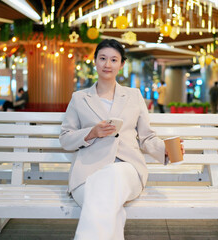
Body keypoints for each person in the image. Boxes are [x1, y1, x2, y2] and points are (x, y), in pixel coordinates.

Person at [59, 39, 183, 240]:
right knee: (108, 202)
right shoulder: (79, 98)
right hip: (88, 172)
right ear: (95, 61)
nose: (107, 64)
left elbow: (147, 137)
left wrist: (165, 150)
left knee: (110, 180)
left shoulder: (134, 96)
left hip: (127, 168)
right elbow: (65, 139)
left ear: (121, 64)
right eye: (103, 58)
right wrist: (91, 133)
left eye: (114, 60)